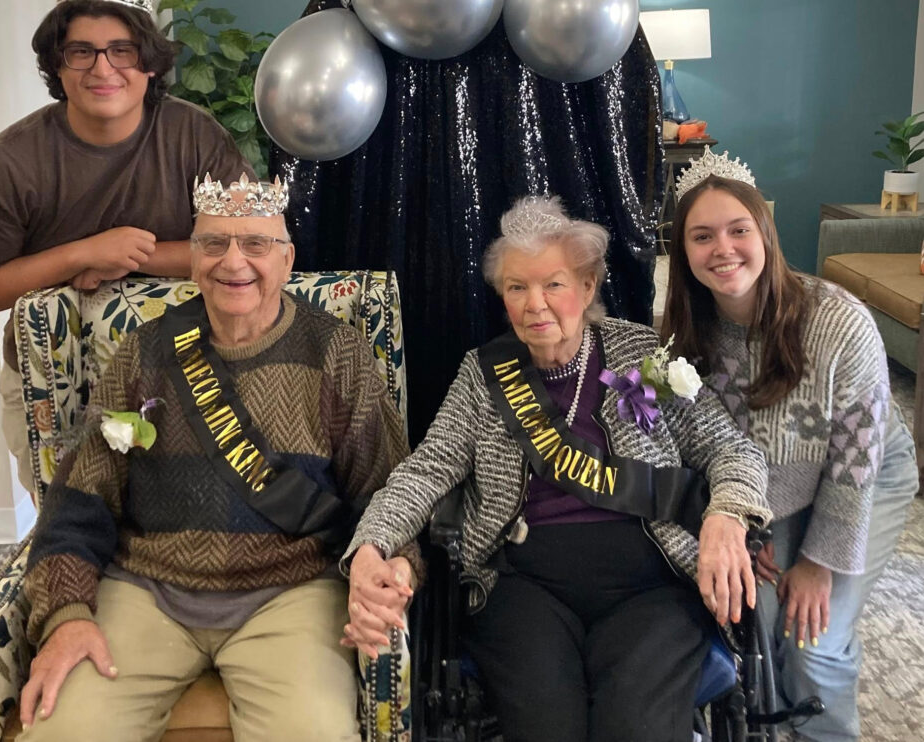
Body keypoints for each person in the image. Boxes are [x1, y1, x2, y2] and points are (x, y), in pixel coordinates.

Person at [341, 195, 773, 742]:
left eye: (554, 284)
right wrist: (373, 544)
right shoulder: (482, 373)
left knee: (636, 726)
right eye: (517, 287)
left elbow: (731, 449)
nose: (535, 304)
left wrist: (727, 516)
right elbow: (425, 471)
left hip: (653, 583)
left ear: (588, 287)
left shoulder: (641, 353)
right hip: (524, 586)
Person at [16, 172, 415, 741]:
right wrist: (66, 616)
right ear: (193, 257)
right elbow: (79, 498)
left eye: (255, 243)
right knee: (65, 731)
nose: (233, 261)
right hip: (147, 590)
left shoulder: (337, 354)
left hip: (292, 593)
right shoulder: (144, 351)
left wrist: (391, 569)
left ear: (286, 259)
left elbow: (391, 495)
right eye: (213, 243)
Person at [0, 0, 250, 496]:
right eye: (81, 52)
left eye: (122, 51)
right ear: (57, 66)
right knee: (72, 527)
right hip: (53, 380)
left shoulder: (193, 136)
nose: (103, 69)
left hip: (191, 369)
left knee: (195, 519)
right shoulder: (7, 165)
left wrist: (130, 258)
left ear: (149, 65)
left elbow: (252, 246)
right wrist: (80, 255)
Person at [663, 150, 917, 742]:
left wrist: (819, 563)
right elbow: (697, 450)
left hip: (865, 475)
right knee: (752, 622)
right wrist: (742, 527)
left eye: (738, 230)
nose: (722, 249)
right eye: (702, 236)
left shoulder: (838, 322)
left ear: (765, 234)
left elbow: (854, 465)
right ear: (683, 252)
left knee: (813, 641)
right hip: (766, 491)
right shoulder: (683, 338)